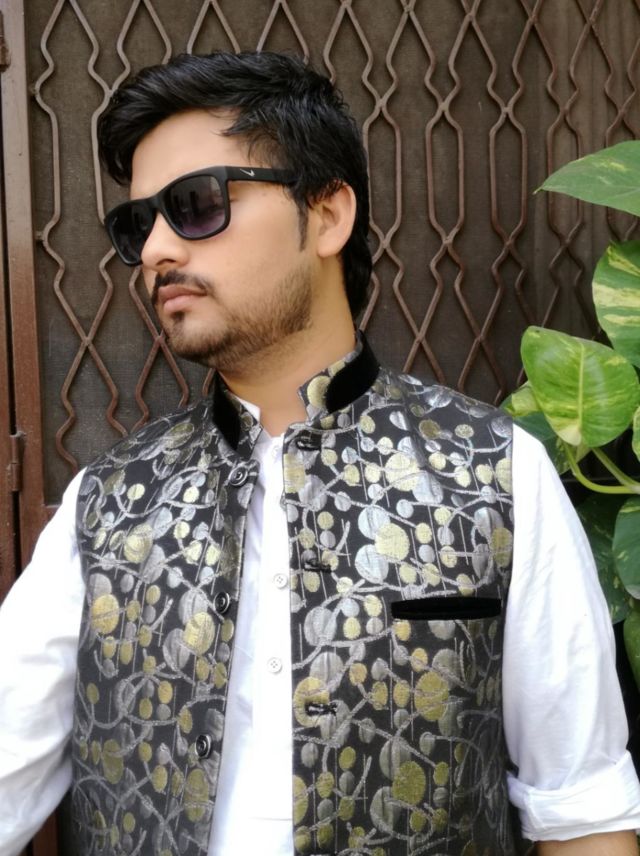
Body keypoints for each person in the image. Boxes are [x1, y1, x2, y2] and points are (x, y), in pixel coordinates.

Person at [0, 51, 638, 856]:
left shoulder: (495, 474)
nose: (157, 247)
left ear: (328, 215)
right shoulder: (105, 506)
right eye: (139, 224)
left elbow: (583, 810)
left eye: (194, 205)